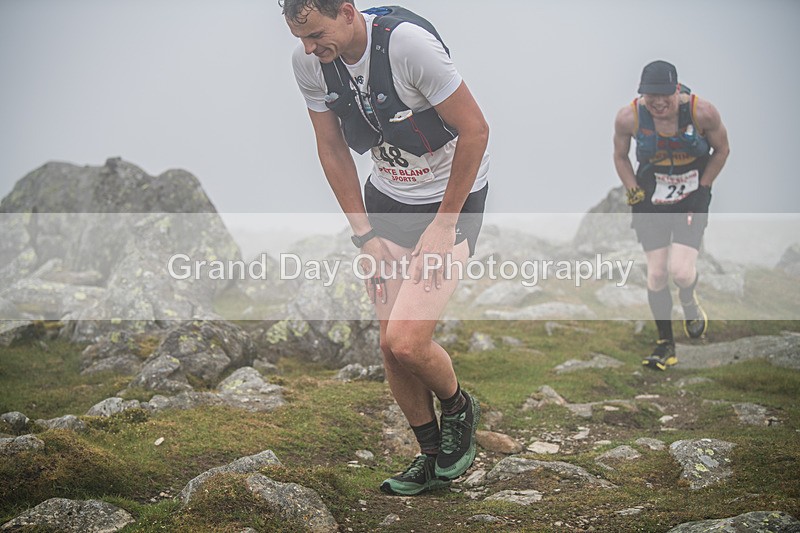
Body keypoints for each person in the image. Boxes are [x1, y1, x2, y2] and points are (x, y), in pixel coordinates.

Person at [280, 0, 490, 494]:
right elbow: (331, 147)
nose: (310, 49)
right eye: (300, 39)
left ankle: (459, 407)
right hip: (389, 202)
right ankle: (430, 455)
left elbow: (476, 130)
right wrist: (365, 235)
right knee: (388, 348)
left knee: (408, 341)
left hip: (451, 200)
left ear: (347, 11)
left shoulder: (407, 46)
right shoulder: (308, 61)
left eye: (316, 34)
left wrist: (444, 225)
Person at [613, 60, 730, 370]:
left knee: (680, 271)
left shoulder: (702, 112)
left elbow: (722, 150)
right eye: (652, 96)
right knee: (656, 274)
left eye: (666, 94)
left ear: (677, 90)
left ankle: (689, 301)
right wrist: (632, 188)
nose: (659, 102)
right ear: (641, 94)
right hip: (652, 193)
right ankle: (666, 344)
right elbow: (620, 156)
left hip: (692, 193)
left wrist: (704, 188)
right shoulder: (629, 117)